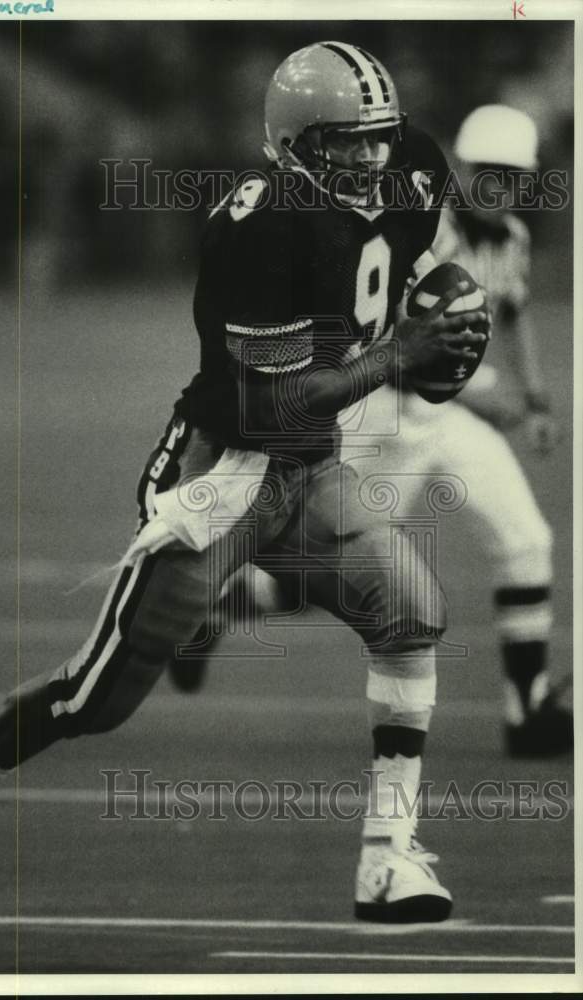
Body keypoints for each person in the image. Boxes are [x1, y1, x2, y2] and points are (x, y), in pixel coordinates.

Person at [0, 41, 487, 938]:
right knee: (94, 699)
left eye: (376, 140)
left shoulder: (412, 169)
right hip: (224, 472)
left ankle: (387, 857)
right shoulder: (259, 225)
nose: (366, 160)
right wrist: (402, 357)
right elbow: (271, 400)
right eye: (341, 145)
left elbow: (426, 259)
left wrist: (443, 318)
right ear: (289, 146)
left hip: (310, 464)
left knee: (410, 617)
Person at [170, 104, 573, 761]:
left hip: (450, 420)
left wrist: (532, 398)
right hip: (384, 416)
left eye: (512, 177)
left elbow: (513, 311)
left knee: (526, 539)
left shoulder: (512, 238)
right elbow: (397, 343)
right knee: (312, 578)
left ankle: (523, 713)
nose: (499, 187)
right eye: (488, 173)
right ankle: (208, 611)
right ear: (462, 169)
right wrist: (482, 392)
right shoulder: (424, 229)